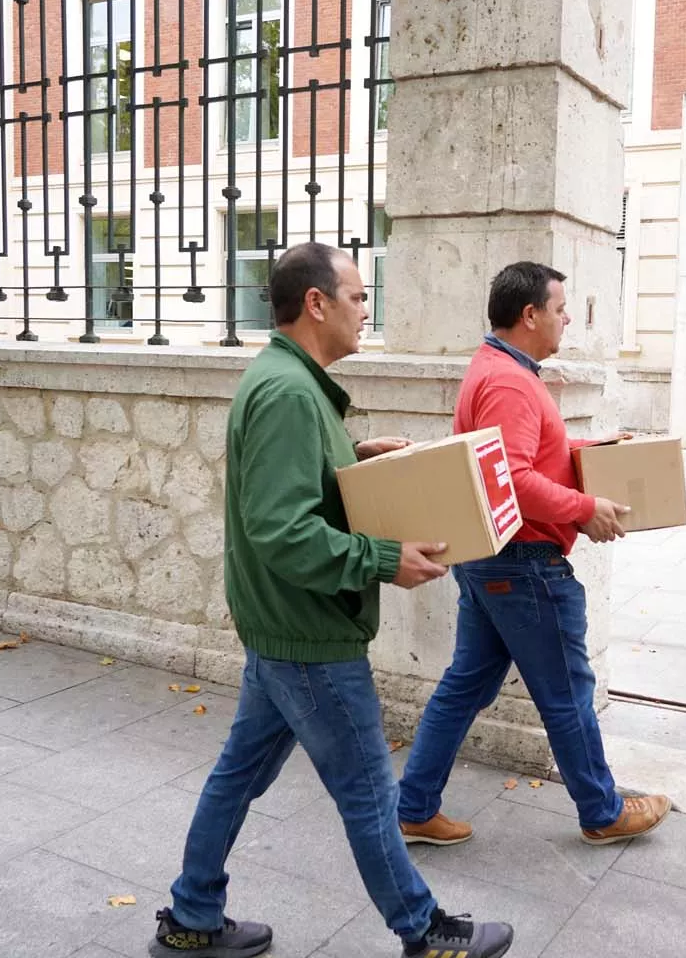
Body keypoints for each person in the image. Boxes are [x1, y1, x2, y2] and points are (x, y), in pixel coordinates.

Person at [150, 243, 514, 958]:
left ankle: (191, 916)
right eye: (355, 296)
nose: (365, 307)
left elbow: (291, 492)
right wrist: (383, 559)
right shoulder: (288, 393)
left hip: (281, 629)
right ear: (315, 304)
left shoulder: (286, 379)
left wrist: (354, 459)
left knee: (237, 776)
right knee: (370, 791)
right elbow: (282, 531)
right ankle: (426, 930)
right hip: (309, 636)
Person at [396, 261, 672, 850]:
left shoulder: (501, 369)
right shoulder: (509, 382)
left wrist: (592, 446)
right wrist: (582, 507)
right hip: (524, 564)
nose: (567, 317)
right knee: (568, 690)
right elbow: (512, 476)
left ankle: (414, 807)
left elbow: (527, 452)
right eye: (561, 307)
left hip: (496, 561)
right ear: (530, 315)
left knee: (466, 685)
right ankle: (601, 810)